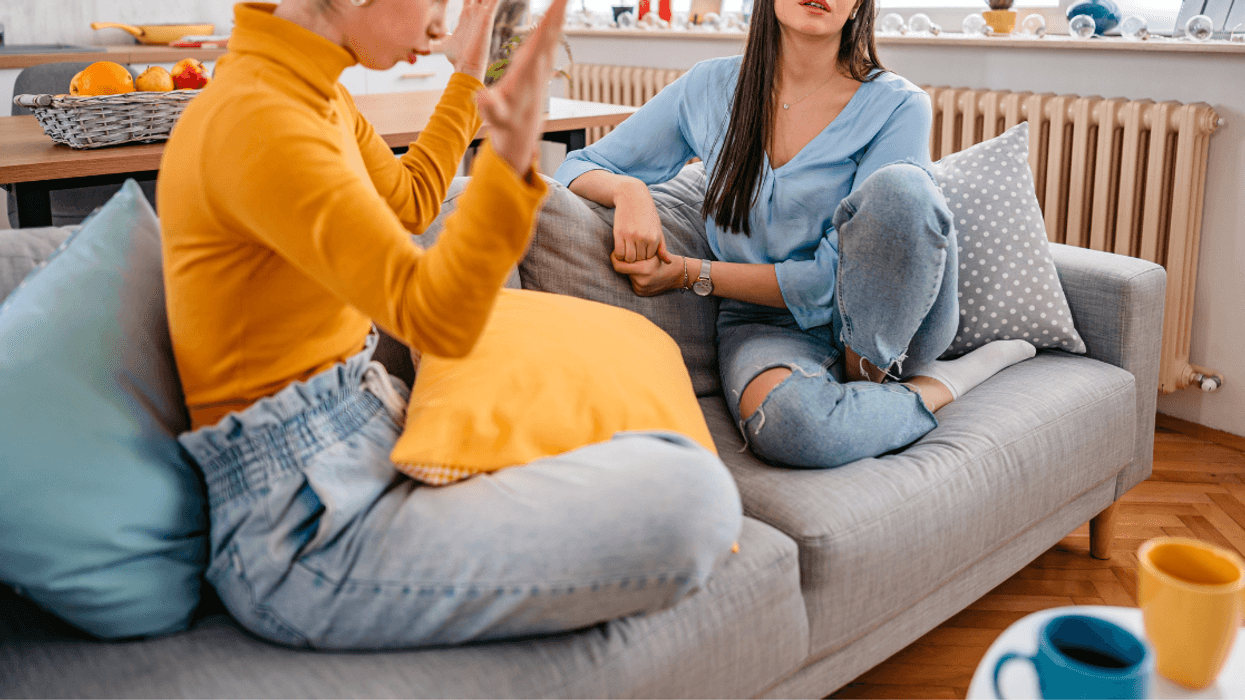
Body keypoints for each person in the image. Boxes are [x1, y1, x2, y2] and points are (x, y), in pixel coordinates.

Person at [157, 0, 741, 650]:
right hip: (300, 528)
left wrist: (472, 76)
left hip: (356, 438)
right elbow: (433, 316)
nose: (441, 24)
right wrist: (511, 145)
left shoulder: (309, 94)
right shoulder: (259, 120)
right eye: (437, 1)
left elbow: (409, 202)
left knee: (661, 451)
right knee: (694, 498)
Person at [555, 0, 1035, 470]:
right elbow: (579, 163)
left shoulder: (898, 104)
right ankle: (930, 390)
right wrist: (630, 191)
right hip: (764, 324)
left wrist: (688, 273)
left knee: (902, 188)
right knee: (786, 423)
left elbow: (835, 281)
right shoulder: (709, 87)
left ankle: (877, 376)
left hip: (893, 314)